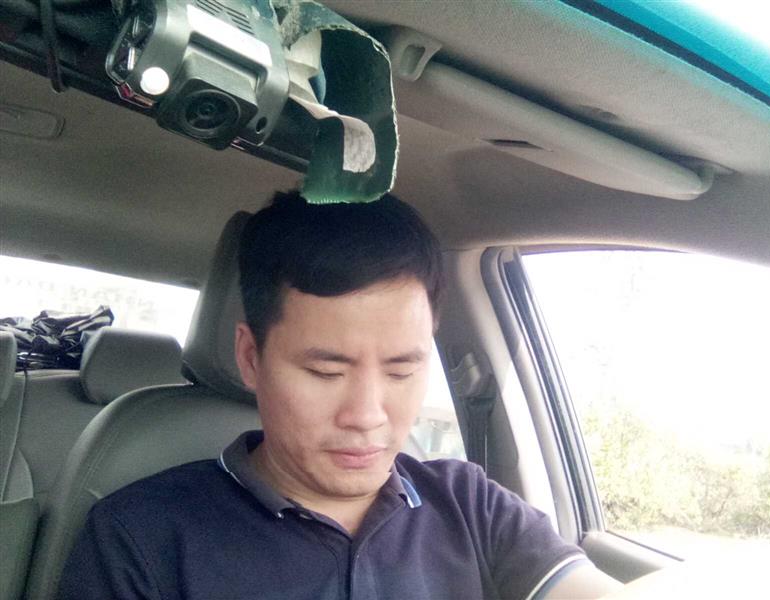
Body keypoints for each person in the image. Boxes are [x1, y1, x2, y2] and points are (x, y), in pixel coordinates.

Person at [59, 192, 622, 599]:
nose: (367, 416)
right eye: (326, 372)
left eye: (401, 371)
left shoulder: (470, 505)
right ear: (251, 358)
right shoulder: (141, 537)